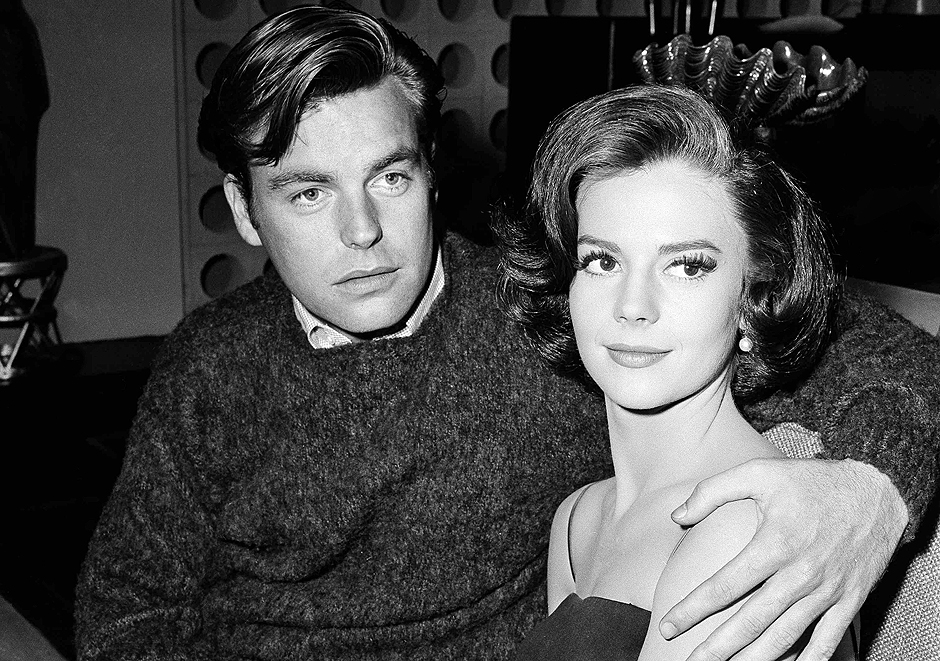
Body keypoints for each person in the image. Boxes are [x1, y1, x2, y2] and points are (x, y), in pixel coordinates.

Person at [74, 5, 940, 661]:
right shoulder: (207, 363)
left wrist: (870, 489)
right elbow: (125, 614)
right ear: (243, 209)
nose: (362, 231)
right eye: (308, 192)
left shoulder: (547, 311)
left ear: (432, 169)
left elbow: (880, 350)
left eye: (389, 177)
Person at [497, 84, 856, 660]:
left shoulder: (748, 529)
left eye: (687, 266)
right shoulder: (578, 517)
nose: (633, 306)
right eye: (602, 261)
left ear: (754, 299)